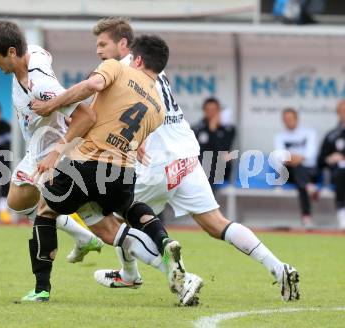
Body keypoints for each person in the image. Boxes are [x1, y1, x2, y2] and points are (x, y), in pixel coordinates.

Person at [72, 17, 299, 302]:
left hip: (156, 162)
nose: (99, 51)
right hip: (187, 157)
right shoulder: (154, 68)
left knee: (115, 218)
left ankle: (140, 276)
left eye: (102, 44)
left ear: (123, 44)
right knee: (217, 223)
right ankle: (279, 268)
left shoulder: (125, 69)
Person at [30, 34, 201, 306]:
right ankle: (165, 244)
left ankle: (40, 289)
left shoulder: (117, 67)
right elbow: (135, 138)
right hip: (122, 174)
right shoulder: (158, 106)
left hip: (87, 164)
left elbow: (91, 86)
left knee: (45, 209)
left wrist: (51, 104)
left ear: (138, 59)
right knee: (122, 217)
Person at [0, 20, 104, 300]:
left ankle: (44, 287)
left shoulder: (41, 86)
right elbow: (37, 52)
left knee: (59, 216)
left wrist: (56, 153)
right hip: (36, 149)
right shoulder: (32, 53)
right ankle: (85, 237)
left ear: (12, 52)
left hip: (52, 153)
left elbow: (87, 116)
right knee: (17, 202)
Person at [273, 108, 318, 228]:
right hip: (289, 172)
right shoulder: (280, 136)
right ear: (283, 121)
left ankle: (306, 216)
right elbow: (279, 156)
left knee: (301, 177)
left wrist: (298, 158)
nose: (289, 121)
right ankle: (306, 217)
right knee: (301, 177)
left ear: (296, 119)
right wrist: (292, 159)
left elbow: (311, 153)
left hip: (309, 171)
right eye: (286, 119)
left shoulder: (309, 133)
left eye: (291, 118)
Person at [192, 97, 236, 189]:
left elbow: (223, 150)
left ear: (219, 111)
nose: (211, 113)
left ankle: (207, 199)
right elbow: (198, 151)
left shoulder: (228, 129)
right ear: (204, 111)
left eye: (214, 110)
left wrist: (213, 130)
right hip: (201, 166)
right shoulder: (197, 128)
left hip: (220, 167)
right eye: (209, 110)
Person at [318, 100, 345, 230]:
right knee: (341, 170)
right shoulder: (332, 135)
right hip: (338, 174)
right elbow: (321, 160)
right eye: (342, 111)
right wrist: (330, 159)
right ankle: (342, 214)